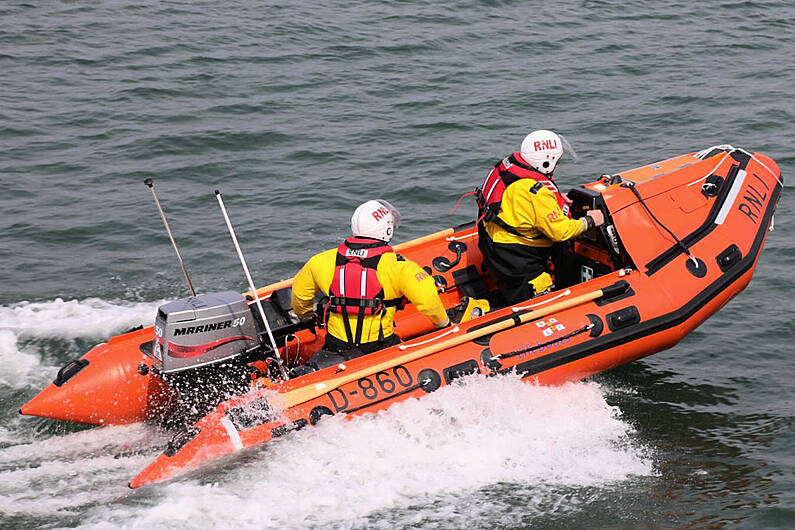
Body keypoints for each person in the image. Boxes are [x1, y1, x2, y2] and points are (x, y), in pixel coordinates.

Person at [291, 199, 450, 371]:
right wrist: (444, 326)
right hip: (380, 346)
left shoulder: (320, 261)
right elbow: (428, 299)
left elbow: (299, 296)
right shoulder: (399, 266)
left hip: (335, 345)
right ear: (387, 229)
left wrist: (307, 317)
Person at [476, 129, 605, 305]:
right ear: (546, 162)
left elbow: (519, 201)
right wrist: (591, 221)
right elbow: (561, 232)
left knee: (510, 289)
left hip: (491, 241)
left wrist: (557, 201)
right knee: (530, 301)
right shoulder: (536, 192)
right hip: (517, 258)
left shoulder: (509, 169)